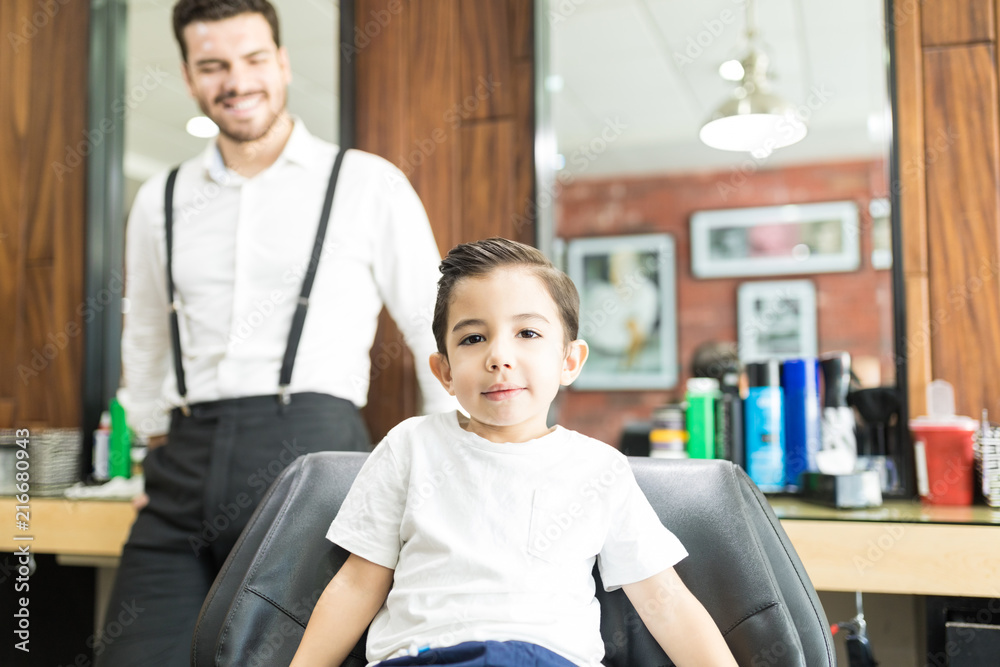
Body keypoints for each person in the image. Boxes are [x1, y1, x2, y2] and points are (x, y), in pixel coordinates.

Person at [100, 1, 454, 664]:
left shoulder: (366, 182)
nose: (236, 80)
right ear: (189, 77)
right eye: (213, 65)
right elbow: (145, 331)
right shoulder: (162, 197)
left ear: (283, 63)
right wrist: (152, 442)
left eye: (254, 59)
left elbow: (435, 325)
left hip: (314, 456)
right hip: (183, 463)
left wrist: (446, 465)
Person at [290, 238, 738, 666]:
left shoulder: (599, 468)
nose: (499, 356)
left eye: (527, 332)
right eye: (472, 339)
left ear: (569, 361)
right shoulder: (410, 445)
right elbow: (356, 585)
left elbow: (666, 601)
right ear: (443, 371)